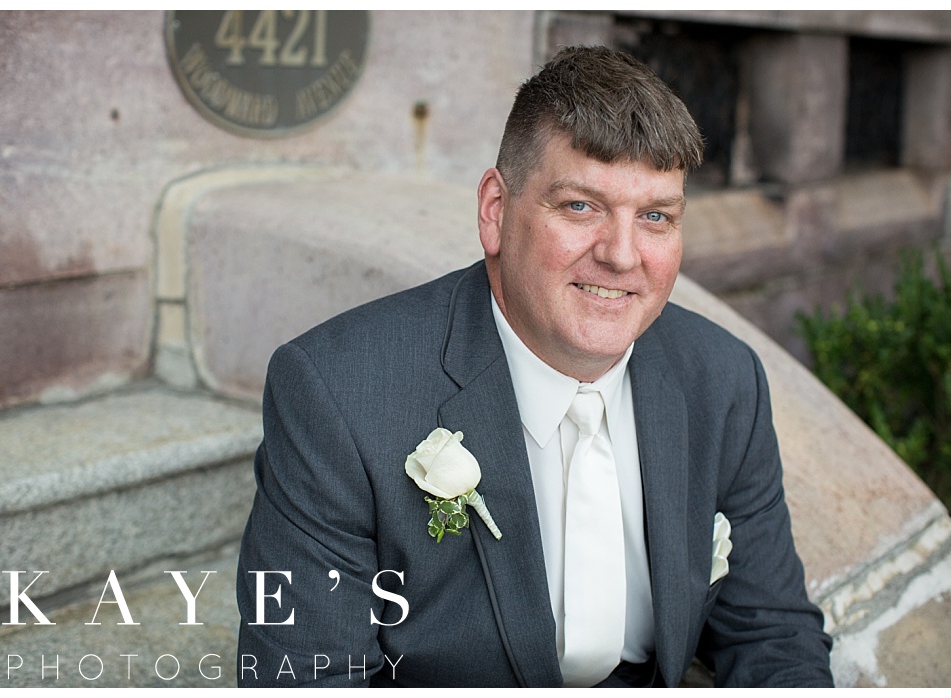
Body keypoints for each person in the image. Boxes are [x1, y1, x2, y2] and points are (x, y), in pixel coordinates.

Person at [235, 46, 832, 687]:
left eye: (655, 217)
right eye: (580, 206)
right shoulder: (339, 392)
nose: (622, 256)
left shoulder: (722, 379)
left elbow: (773, 636)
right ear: (496, 209)